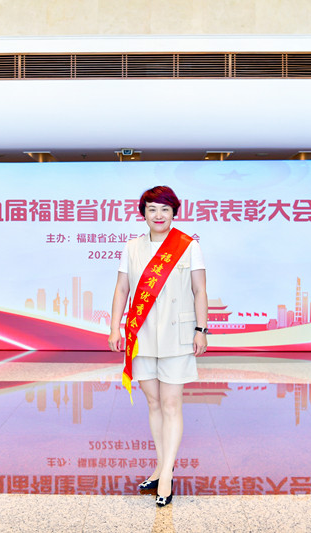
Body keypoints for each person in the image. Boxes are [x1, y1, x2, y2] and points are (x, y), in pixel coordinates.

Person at [108, 185, 208, 507]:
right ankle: (161, 466)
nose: (159, 215)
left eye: (165, 209)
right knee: (153, 403)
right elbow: (122, 289)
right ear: (144, 213)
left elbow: (200, 290)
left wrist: (201, 329)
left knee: (171, 404)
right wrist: (114, 327)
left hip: (178, 335)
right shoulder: (132, 247)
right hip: (142, 335)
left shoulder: (188, 245)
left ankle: (166, 475)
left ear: (174, 212)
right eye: (152, 209)